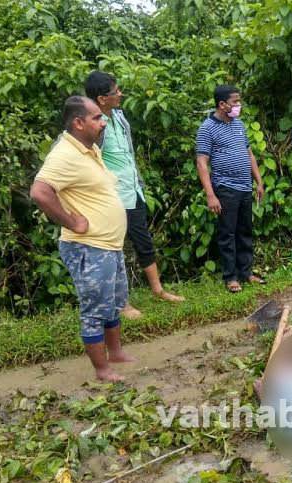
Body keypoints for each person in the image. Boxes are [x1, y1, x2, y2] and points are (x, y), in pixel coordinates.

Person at [30, 96, 134, 382]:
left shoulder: (88, 149)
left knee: (112, 303)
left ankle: (116, 354)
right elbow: (39, 192)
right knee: (94, 309)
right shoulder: (64, 154)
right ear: (78, 123)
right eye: (98, 118)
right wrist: (71, 220)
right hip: (89, 247)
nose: (104, 122)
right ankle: (102, 370)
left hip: (109, 245)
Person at [84, 71, 183, 319]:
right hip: (111, 196)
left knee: (143, 240)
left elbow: (128, 153)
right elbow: (88, 159)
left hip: (132, 190)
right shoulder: (91, 125)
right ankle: (122, 304)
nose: (120, 94)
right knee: (114, 250)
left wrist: (138, 180)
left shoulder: (119, 116)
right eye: (115, 92)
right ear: (101, 98)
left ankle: (158, 290)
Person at [195, 85, 265, 294]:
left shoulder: (239, 125)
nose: (238, 106)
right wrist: (210, 194)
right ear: (222, 104)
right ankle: (231, 277)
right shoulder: (207, 128)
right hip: (225, 188)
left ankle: (246, 273)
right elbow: (201, 163)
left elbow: (249, 154)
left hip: (245, 187)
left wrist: (258, 182)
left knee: (245, 231)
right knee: (228, 234)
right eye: (235, 102)